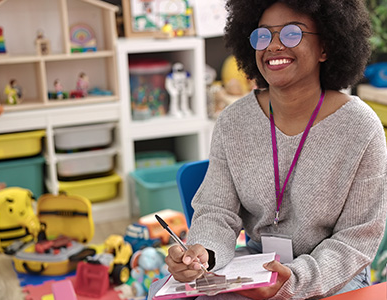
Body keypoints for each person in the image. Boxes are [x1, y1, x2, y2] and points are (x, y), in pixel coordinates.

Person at [148, 0, 387, 299]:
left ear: (326, 46)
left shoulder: (361, 128)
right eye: (263, 35)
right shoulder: (234, 121)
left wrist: (293, 282)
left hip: (332, 275)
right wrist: (204, 254)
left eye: (291, 34)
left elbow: (356, 240)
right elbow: (217, 211)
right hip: (256, 266)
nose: (273, 46)